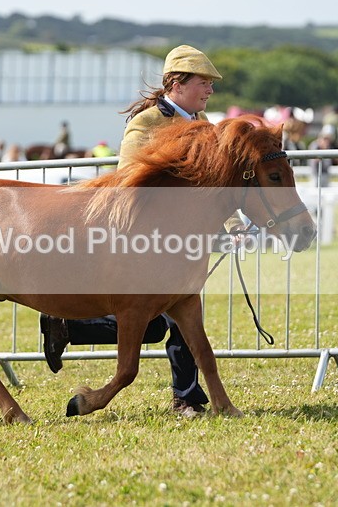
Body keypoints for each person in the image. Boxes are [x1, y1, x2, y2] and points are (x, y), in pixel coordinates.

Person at [40, 45, 243, 419]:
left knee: (173, 319)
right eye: (204, 82)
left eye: (211, 84)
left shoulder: (206, 123)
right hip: (143, 240)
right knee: (159, 321)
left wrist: (232, 225)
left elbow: (217, 183)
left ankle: (186, 397)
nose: (210, 90)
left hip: (185, 242)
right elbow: (130, 180)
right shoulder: (146, 123)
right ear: (176, 84)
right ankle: (187, 397)